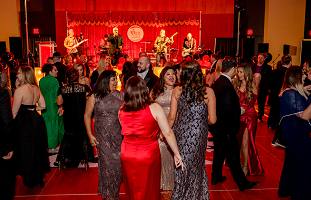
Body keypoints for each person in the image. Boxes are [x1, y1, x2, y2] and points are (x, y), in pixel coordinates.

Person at [119, 76, 184, 200]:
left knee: (132, 187)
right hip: (148, 153)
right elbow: (168, 133)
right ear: (144, 89)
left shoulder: (121, 110)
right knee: (149, 188)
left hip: (126, 153)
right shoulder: (154, 108)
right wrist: (176, 153)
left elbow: (126, 130)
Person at [167, 60, 216, 199]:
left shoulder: (178, 90)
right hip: (199, 134)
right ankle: (196, 195)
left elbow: (171, 117)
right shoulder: (209, 92)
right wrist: (199, 120)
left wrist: (165, 132)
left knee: (181, 163)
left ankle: (181, 195)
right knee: (196, 165)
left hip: (180, 133)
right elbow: (212, 120)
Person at [211, 57, 259, 191]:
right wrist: (240, 110)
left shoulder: (219, 81)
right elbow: (228, 108)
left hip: (218, 126)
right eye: (236, 70)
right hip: (226, 127)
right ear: (232, 69)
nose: (236, 73)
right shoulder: (226, 84)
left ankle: (216, 176)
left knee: (219, 153)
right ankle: (242, 183)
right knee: (233, 157)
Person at [84, 70, 124, 200]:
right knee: (106, 167)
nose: (116, 82)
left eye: (116, 79)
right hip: (102, 138)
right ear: (105, 80)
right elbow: (87, 115)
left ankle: (114, 192)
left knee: (118, 168)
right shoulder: (94, 96)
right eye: (113, 79)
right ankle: (110, 196)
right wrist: (90, 135)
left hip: (119, 137)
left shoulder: (121, 96)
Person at [12, 66, 50, 187]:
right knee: (37, 149)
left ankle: (30, 180)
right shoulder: (36, 88)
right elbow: (43, 106)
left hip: (24, 123)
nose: (17, 75)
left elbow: (14, 112)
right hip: (36, 120)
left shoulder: (19, 90)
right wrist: (32, 109)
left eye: (18, 73)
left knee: (26, 151)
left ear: (23, 75)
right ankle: (39, 178)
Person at [277, 66, 311, 199]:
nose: (305, 77)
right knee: (304, 166)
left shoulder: (293, 91)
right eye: (302, 75)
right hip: (296, 133)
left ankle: (287, 190)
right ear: (296, 77)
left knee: (292, 163)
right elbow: (304, 116)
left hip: (295, 131)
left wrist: (305, 91)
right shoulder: (290, 93)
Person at [56, 68, 94, 168]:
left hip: (69, 115)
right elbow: (90, 99)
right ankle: (85, 160)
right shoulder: (84, 88)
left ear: (67, 78)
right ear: (77, 77)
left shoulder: (63, 89)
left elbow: (59, 102)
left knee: (68, 136)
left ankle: (62, 160)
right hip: (81, 114)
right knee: (83, 135)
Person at [233, 63, 264, 176]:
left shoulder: (252, 85)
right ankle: (240, 162)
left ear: (246, 72)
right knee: (238, 141)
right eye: (238, 72)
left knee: (246, 142)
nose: (239, 74)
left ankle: (246, 165)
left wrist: (243, 108)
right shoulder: (236, 83)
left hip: (249, 117)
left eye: (241, 72)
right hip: (237, 116)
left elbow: (252, 102)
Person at [150, 66, 177, 195]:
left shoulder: (179, 91)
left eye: (173, 74)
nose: (172, 76)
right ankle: (162, 185)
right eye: (168, 74)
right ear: (162, 77)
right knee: (161, 156)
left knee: (175, 156)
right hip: (159, 130)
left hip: (176, 129)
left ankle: (175, 186)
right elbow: (148, 109)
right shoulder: (155, 91)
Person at [39, 64, 65, 153]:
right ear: (50, 71)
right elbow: (57, 94)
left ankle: (48, 146)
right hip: (53, 105)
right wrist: (60, 106)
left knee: (46, 125)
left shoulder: (41, 80)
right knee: (54, 125)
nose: (57, 71)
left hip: (45, 105)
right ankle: (53, 147)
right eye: (55, 70)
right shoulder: (54, 80)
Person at [0, 86, 15, 200]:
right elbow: (6, 120)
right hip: (1, 145)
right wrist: (9, 146)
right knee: (5, 179)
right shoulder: (1, 92)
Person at [251, 53, 272, 122]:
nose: (260, 59)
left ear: (264, 59)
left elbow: (268, 78)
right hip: (252, 85)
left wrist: (266, 86)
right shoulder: (253, 65)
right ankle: (251, 113)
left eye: (261, 58)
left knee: (261, 101)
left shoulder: (267, 67)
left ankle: (260, 116)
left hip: (262, 86)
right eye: (259, 57)